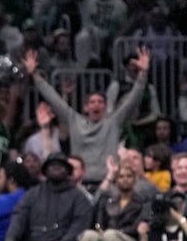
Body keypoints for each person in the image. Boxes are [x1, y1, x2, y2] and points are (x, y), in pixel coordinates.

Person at [22, 46, 150, 189]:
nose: (96, 105)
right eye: (92, 102)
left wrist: (143, 74)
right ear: (86, 107)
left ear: (105, 107)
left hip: (109, 183)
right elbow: (54, 99)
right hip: (79, 184)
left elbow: (133, 101)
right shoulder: (74, 120)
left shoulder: (113, 122)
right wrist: (35, 75)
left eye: (100, 102)